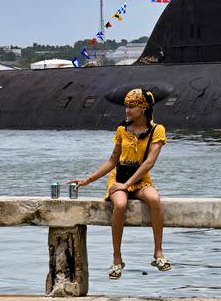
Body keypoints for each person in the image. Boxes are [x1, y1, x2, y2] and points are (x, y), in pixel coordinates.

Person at [70, 88, 169, 279]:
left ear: (144, 108)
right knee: (121, 204)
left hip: (140, 180)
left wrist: (129, 184)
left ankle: (158, 252)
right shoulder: (122, 130)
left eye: (132, 106)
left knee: (155, 200)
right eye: (126, 106)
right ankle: (117, 258)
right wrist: (88, 180)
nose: (127, 110)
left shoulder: (157, 130)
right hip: (118, 179)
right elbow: (112, 160)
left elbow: (149, 163)